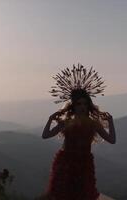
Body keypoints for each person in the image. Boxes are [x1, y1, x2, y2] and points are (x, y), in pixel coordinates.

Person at [41, 64, 116, 200]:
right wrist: (50, 120)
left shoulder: (93, 124)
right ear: (73, 106)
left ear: (88, 105)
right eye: (78, 104)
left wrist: (111, 122)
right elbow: (45, 135)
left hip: (84, 164)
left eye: (84, 104)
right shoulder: (66, 123)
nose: (82, 107)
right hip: (66, 164)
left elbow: (112, 140)